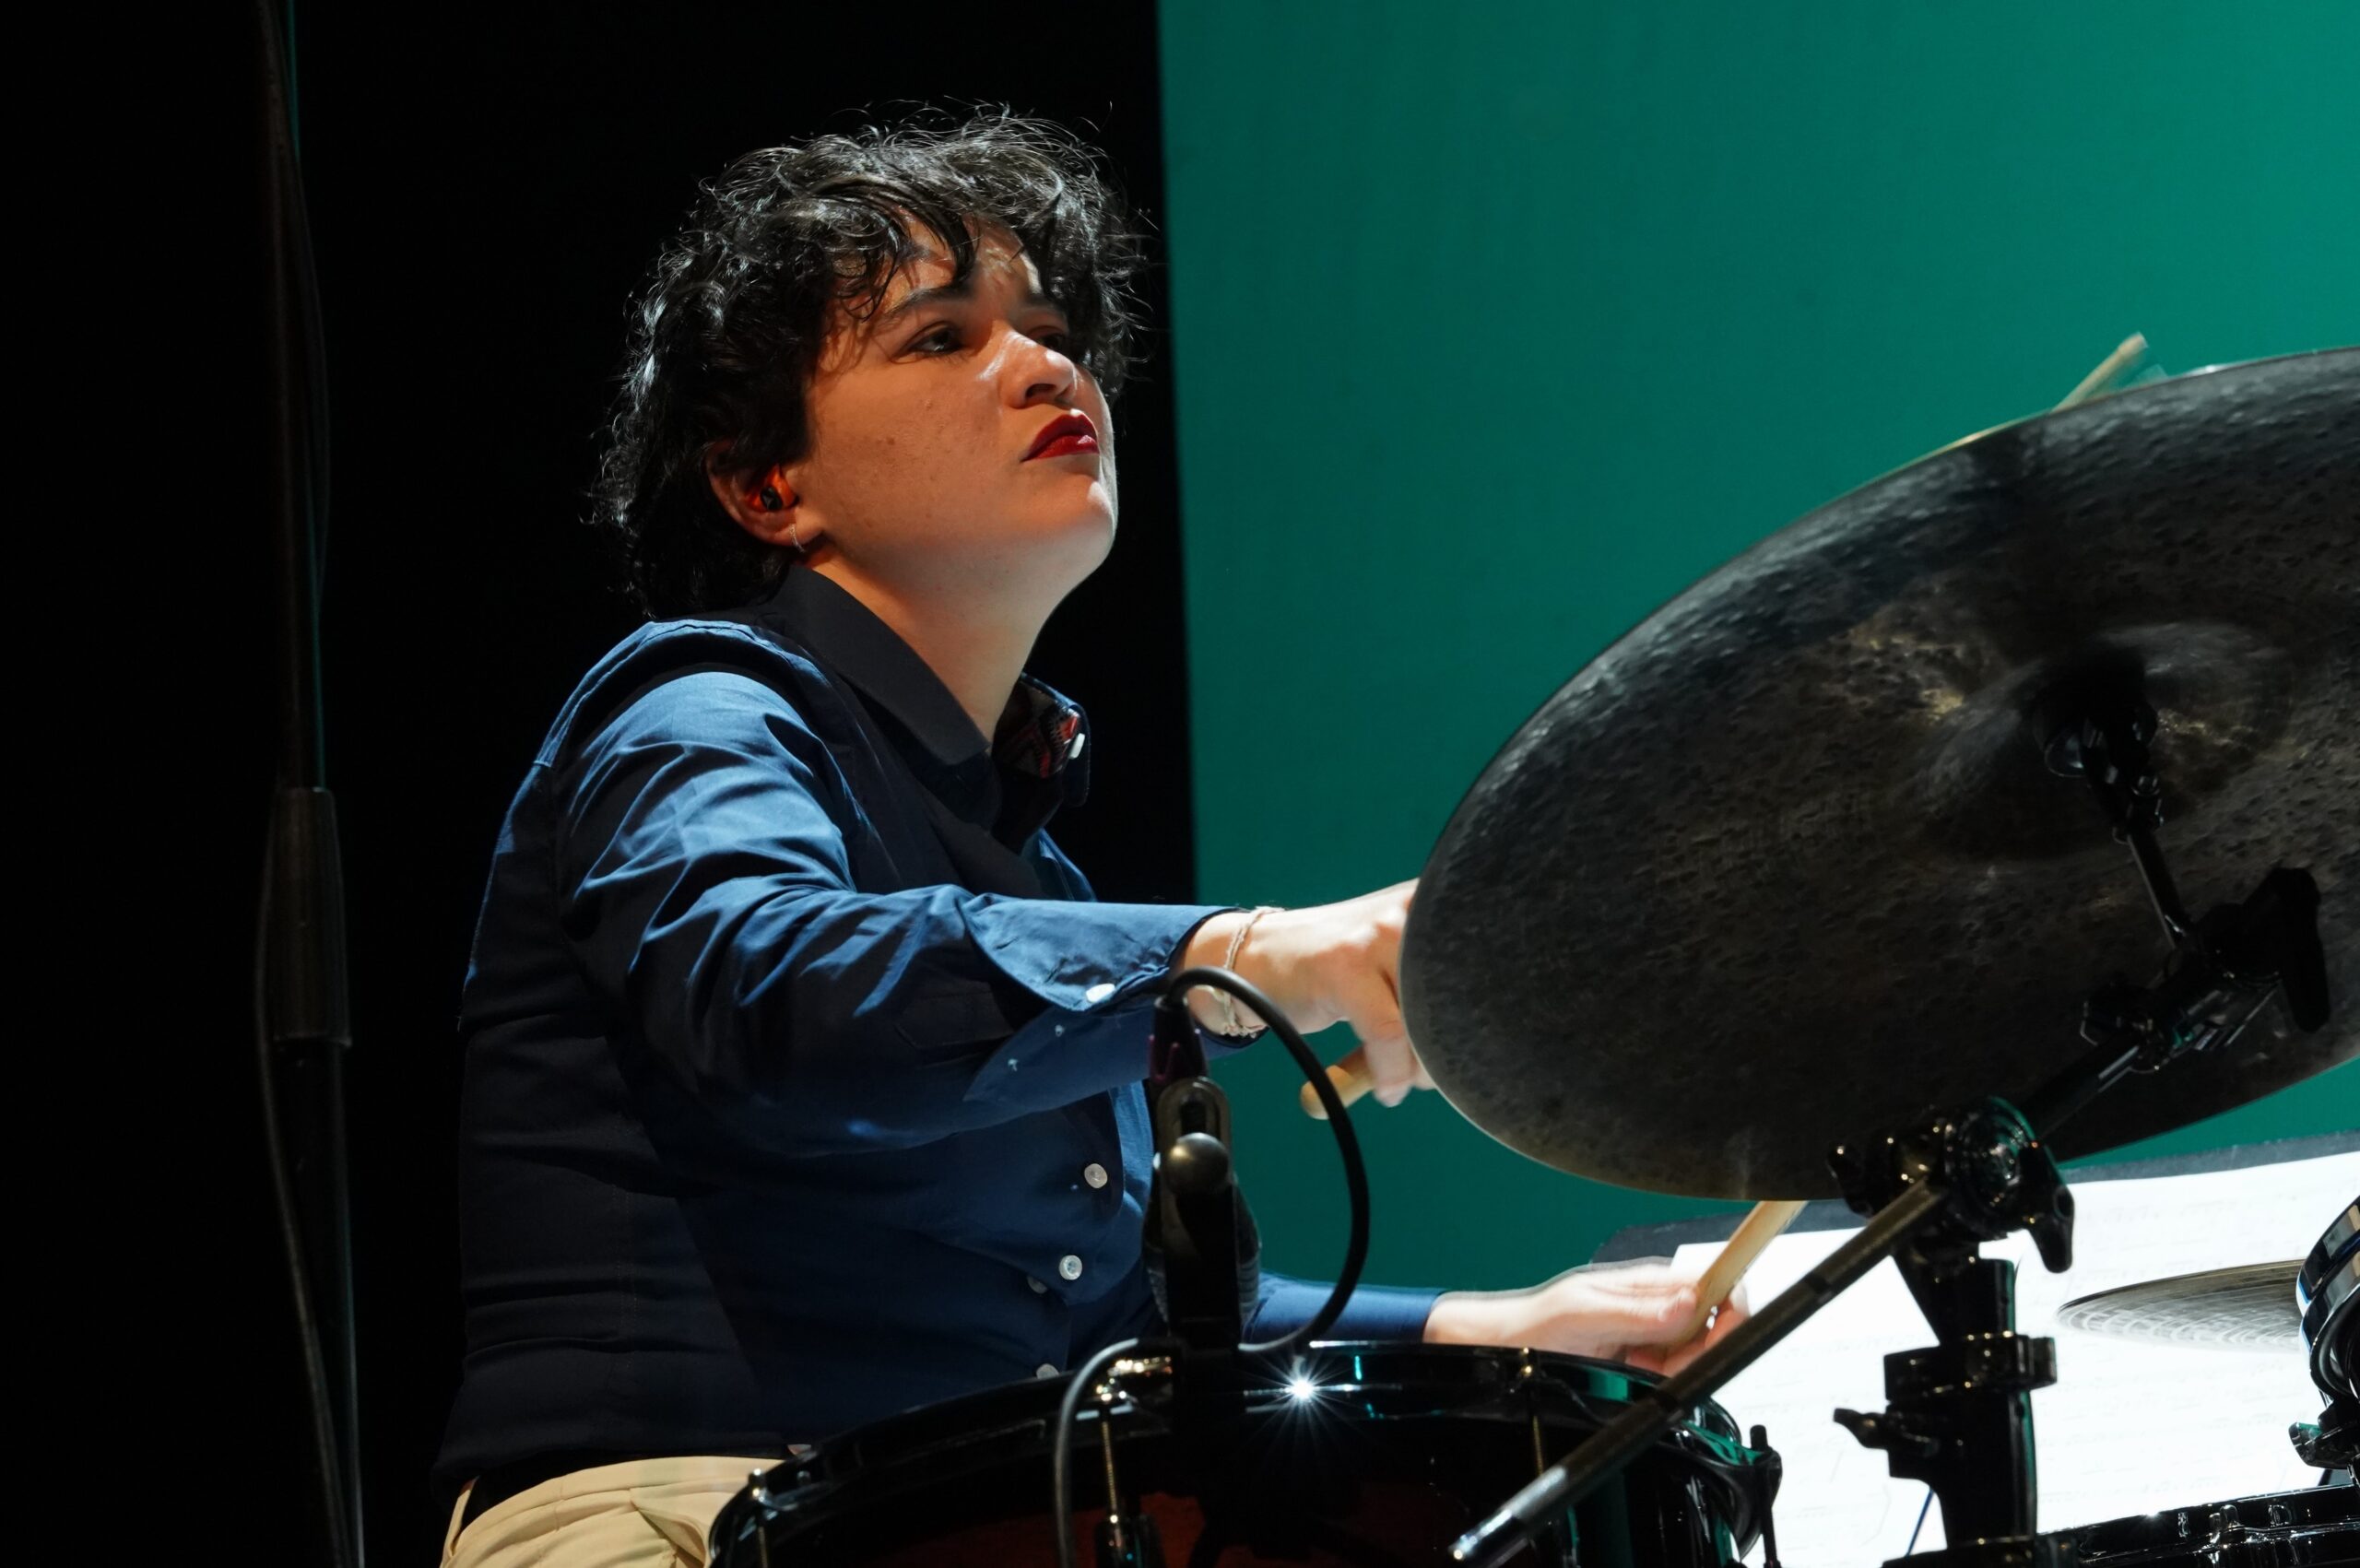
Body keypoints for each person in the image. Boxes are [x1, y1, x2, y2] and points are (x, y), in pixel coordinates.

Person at [434, 112, 1743, 1568]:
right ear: (767, 486)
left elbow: (1133, 1321)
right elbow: (776, 987)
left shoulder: (1029, 872)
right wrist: (1243, 957)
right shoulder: (697, 705)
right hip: (670, 1517)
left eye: (1053, 330)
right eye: (943, 337)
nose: (1048, 366)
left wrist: (1497, 1327)